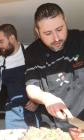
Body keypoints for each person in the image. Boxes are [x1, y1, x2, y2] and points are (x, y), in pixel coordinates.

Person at [25, 3, 84, 131]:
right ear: (38, 32)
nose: (56, 38)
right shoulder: (32, 52)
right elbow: (31, 86)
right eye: (47, 33)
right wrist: (46, 98)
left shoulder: (81, 40)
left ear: (65, 21)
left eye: (59, 29)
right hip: (53, 124)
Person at [0, 24, 40, 129]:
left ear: (12, 38)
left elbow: (43, 80)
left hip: (33, 109)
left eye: (1, 42)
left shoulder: (31, 53)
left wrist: (37, 100)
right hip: (12, 111)